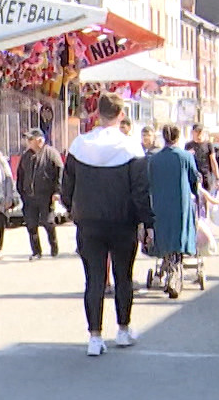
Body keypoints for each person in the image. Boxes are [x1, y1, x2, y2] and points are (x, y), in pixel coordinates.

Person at [60, 92, 152, 355]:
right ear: (121, 114)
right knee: (123, 277)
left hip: (89, 222)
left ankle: (95, 337)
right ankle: (123, 330)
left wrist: (73, 209)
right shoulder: (131, 147)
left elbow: (67, 187)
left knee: (94, 280)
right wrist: (147, 221)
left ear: (97, 113)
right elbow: (140, 191)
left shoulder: (80, 145)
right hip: (122, 222)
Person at [146, 124, 203, 298]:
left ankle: (168, 268)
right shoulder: (185, 157)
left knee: (164, 236)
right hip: (181, 205)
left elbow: (148, 183)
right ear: (178, 138)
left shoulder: (154, 160)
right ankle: (175, 272)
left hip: (160, 206)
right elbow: (194, 179)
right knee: (179, 237)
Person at [17, 129, 64, 259]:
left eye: (30, 139)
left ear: (39, 140)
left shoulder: (51, 154)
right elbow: (21, 175)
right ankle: (36, 251)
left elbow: (60, 174)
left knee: (47, 222)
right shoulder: (26, 156)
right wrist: (22, 192)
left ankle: (54, 247)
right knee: (31, 224)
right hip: (29, 197)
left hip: (46, 196)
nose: (28, 142)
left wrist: (57, 191)